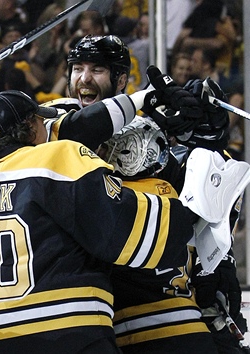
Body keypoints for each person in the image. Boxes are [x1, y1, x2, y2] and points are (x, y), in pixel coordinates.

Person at [0, 89, 244, 353]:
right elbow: (121, 228)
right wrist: (191, 215)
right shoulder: (57, 157)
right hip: (62, 332)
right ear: (32, 126)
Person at [44, 34, 244, 353]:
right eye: (77, 68)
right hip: (94, 322)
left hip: (160, 315)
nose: (83, 78)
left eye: (97, 70)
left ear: (121, 78)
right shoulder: (55, 117)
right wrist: (144, 98)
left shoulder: (152, 129)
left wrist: (206, 140)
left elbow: (212, 192)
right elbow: (73, 132)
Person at [99, 117, 218, 353]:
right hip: (193, 327)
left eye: (108, 147)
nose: (102, 153)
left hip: (142, 331)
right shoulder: (174, 193)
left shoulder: (120, 196)